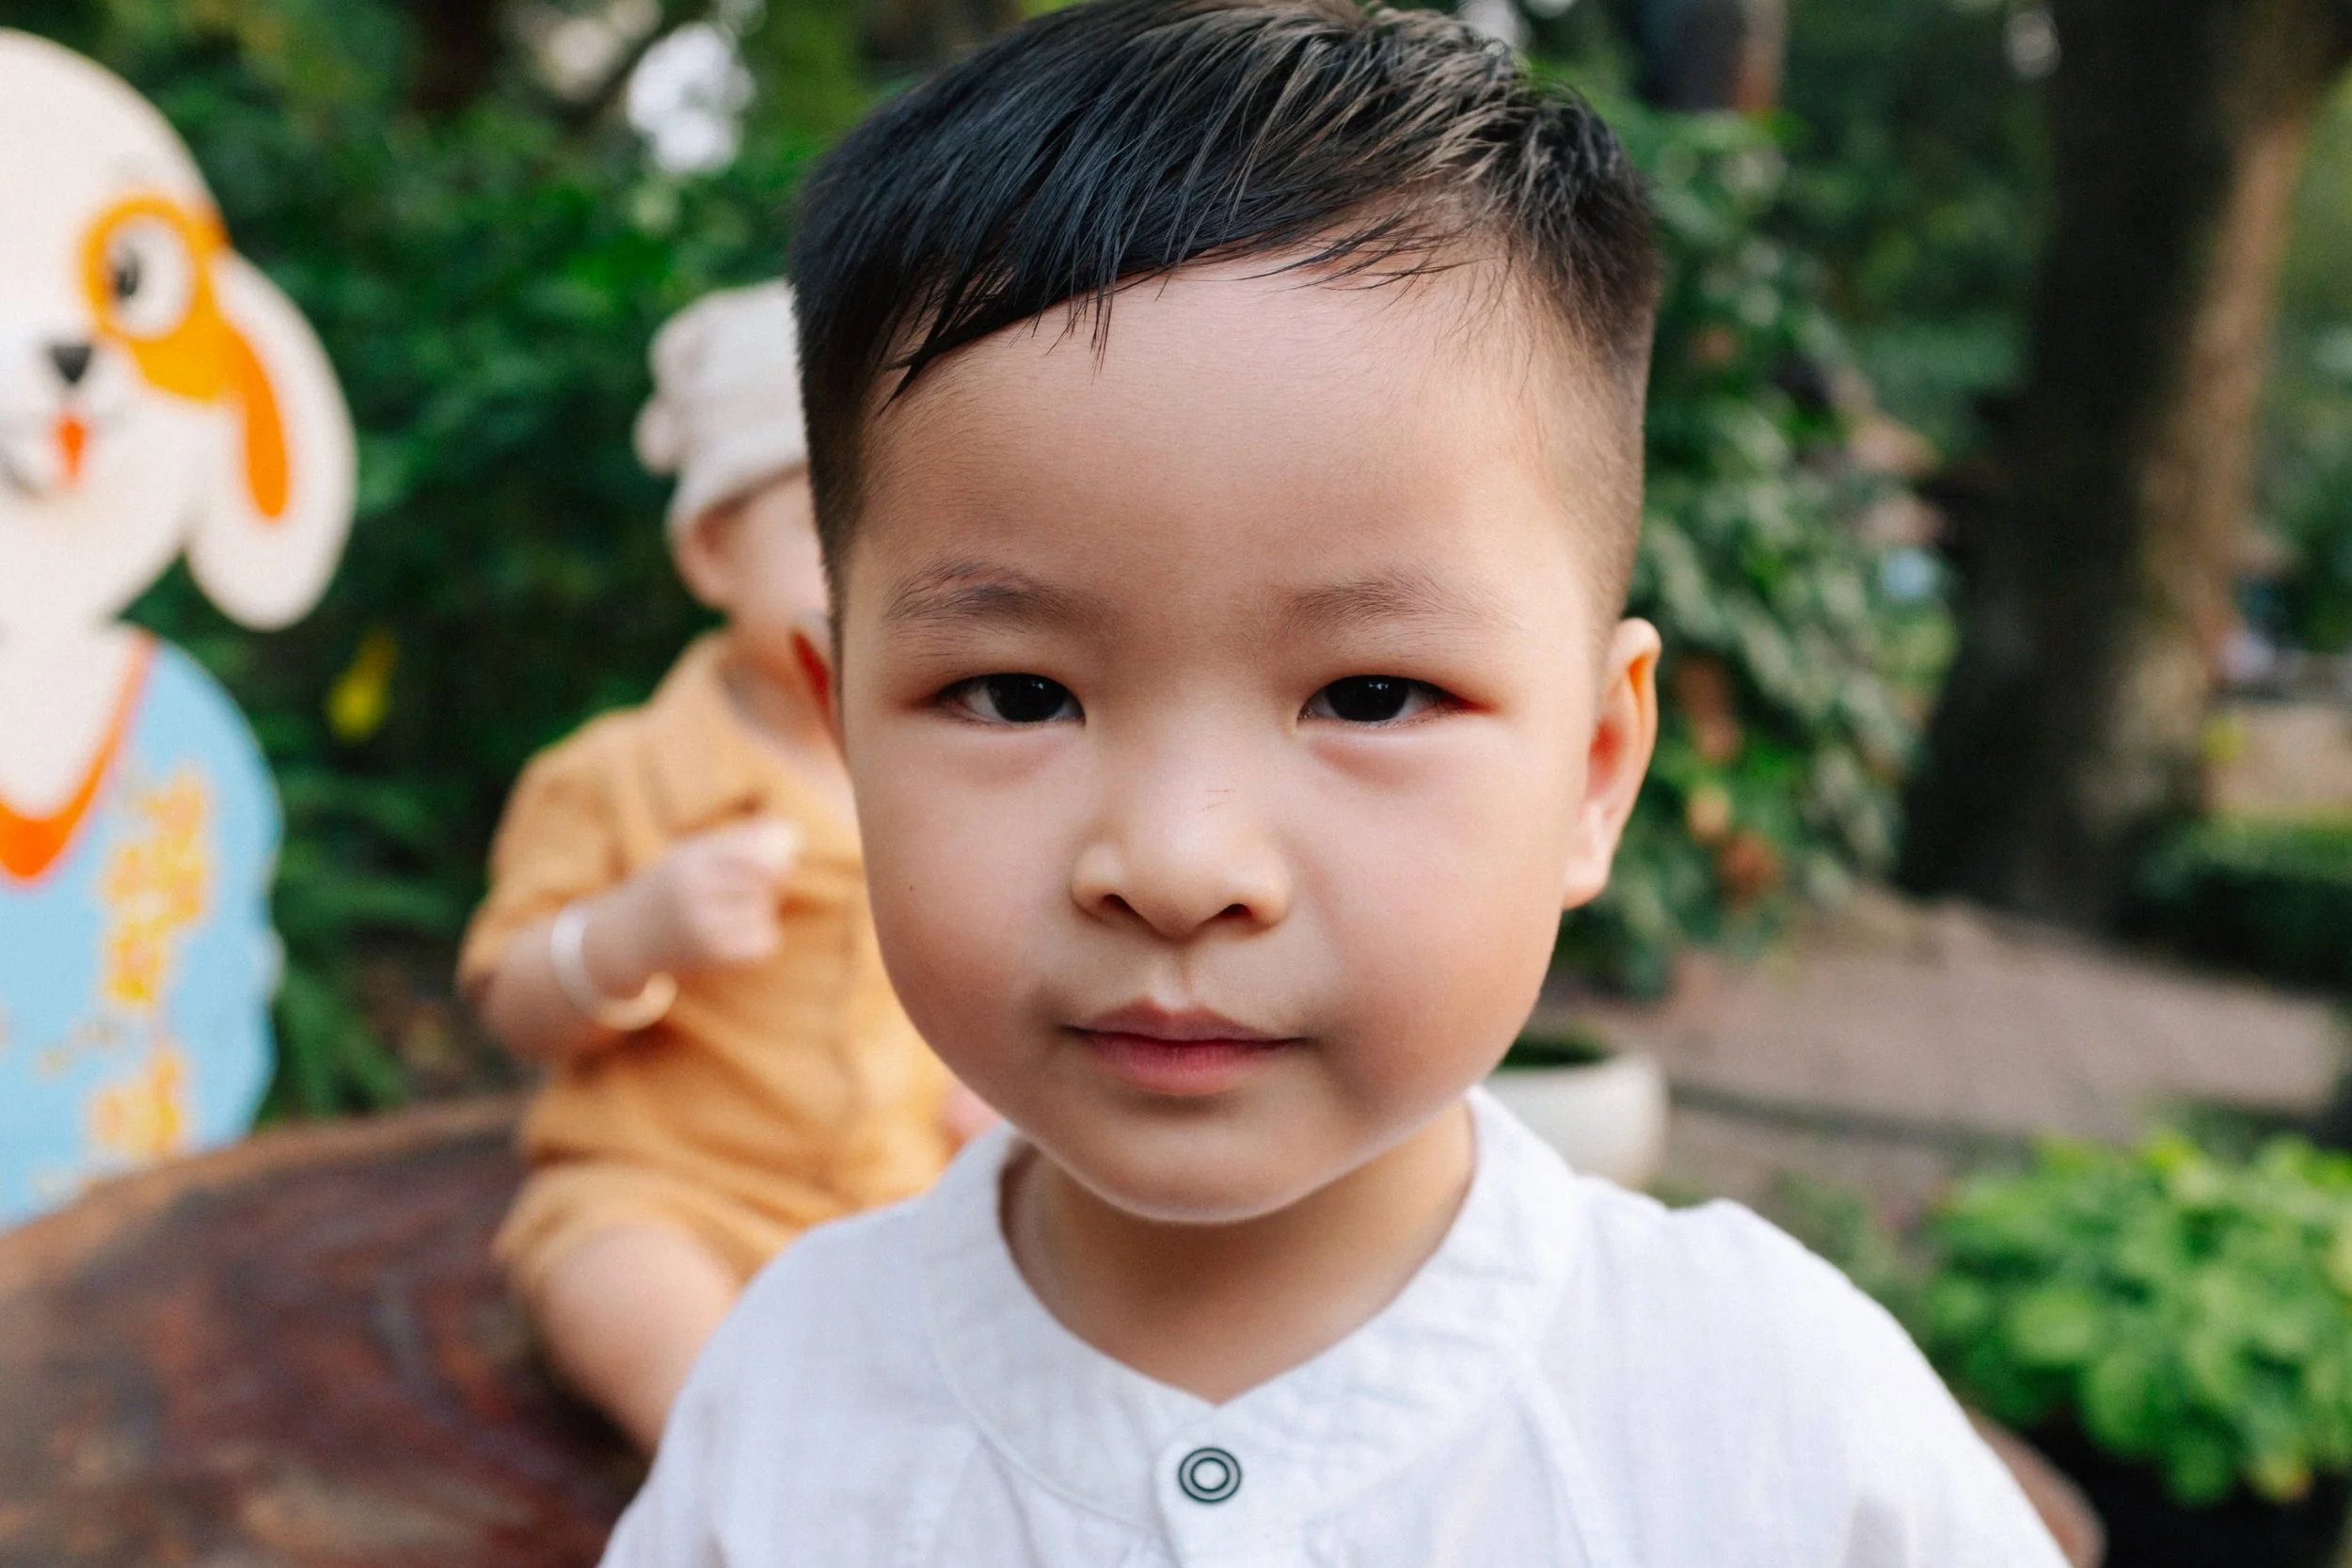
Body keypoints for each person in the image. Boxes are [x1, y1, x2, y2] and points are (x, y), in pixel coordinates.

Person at [603, 2, 2071, 1560]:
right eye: (1015, 691)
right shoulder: (786, 1393)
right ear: (847, 734)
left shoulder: (1769, 1420)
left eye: (1371, 693)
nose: (1175, 861)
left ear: (1592, 768)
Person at [458, 282, 982, 1453]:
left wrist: (991, 1082)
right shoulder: (616, 774)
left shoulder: (966, 768)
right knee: (623, 1287)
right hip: (668, 1192)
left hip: (894, 1202)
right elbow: (508, 998)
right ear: (710, 548)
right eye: (826, 524)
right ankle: (730, 1470)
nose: (874, 569)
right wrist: (628, 936)